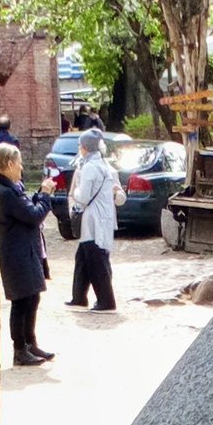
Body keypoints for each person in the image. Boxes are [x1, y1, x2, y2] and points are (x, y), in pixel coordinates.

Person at [0, 140, 56, 366]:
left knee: (32, 296)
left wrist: (38, 196)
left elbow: (28, 209)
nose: (21, 167)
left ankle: (30, 342)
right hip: (16, 254)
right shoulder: (6, 192)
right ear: (9, 164)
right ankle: (19, 349)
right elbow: (33, 216)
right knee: (21, 300)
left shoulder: (13, 187)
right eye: (19, 162)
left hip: (24, 250)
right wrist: (45, 196)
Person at [69, 125, 123, 311]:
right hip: (101, 218)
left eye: (80, 145)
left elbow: (83, 196)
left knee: (96, 261)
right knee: (83, 257)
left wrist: (76, 191)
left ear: (85, 147)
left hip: (93, 219)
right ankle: (79, 296)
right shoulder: (103, 166)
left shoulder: (90, 168)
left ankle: (106, 301)